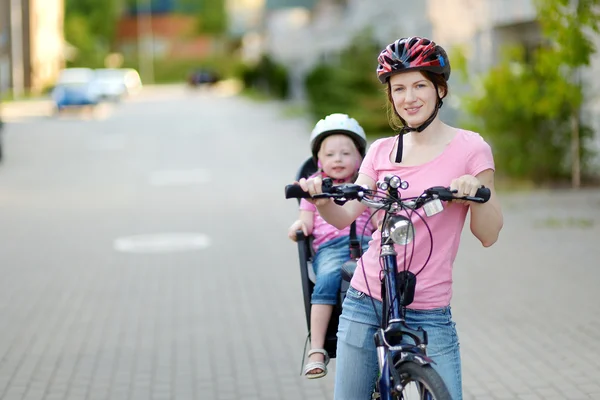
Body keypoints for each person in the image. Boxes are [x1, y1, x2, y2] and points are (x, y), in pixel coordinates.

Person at [297, 37, 504, 399]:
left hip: (429, 307)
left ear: (440, 89)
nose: (410, 97)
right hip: (366, 298)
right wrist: (320, 197)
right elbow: (346, 216)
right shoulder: (380, 151)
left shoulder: (471, 149)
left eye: (420, 85)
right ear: (391, 96)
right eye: (399, 88)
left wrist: (475, 193)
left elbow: (488, 235)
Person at [288, 113, 377, 379]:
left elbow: (378, 219)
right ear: (319, 161)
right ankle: (317, 348)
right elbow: (306, 221)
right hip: (329, 249)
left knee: (385, 275)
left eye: (346, 153)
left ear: (361, 159)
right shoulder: (314, 189)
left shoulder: (365, 186)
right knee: (327, 278)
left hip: (365, 245)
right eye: (330, 154)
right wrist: (299, 227)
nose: (338, 159)